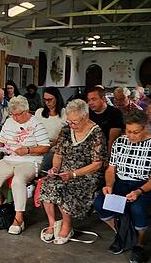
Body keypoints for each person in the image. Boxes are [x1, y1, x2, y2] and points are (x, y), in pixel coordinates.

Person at [94, 109, 151, 261]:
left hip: (144, 185)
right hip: (121, 182)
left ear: (145, 128)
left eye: (136, 132)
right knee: (100, 203)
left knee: (136, 208)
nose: (131, 136)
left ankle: (138, 244)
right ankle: (123, 234)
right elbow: (111, 170)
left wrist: (139, 191)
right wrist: (109, 185)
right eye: (128, 131)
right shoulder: (120, 141)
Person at [38, 99, 106, 244]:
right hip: (64, 171)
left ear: (86, 117)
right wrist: (55, 168)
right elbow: (58, 154)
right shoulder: (66, 130)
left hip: (86, 174)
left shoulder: (97, 133)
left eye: (75, 122)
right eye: (69, 121)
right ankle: (52, 224)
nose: (71, 125)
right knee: (47, 184)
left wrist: (73, 174)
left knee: (66, 188)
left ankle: (67, 226)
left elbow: (97, 164)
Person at [0, 96, 50, 235]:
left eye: (18, 114)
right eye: (12, 114)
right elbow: (0, 141)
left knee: (18, 181)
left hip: (30, 161)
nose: (14, 118)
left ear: (26, 111)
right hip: (9, 158)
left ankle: (19, 218)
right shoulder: (9, 122)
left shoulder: (36, 124)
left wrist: (27, 150)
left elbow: (45, 147)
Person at [34, 86, 67, 172]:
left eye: (50, 100)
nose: (47, 102)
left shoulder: (65, 113)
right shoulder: (39, 112)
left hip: (55, 148)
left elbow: (67, 134)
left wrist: (55, 142)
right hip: (39, 145)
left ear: (57, 98)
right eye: (45, 100)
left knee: (45, 161)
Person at [86, 86, 124, 157]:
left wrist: (108, 158)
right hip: (89, 150)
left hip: (107, 150)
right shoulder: (86, 113)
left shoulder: (115, 113)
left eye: (94, 99)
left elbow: (112, 140)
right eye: (88, 100)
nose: (90, 103)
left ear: (103, 99)